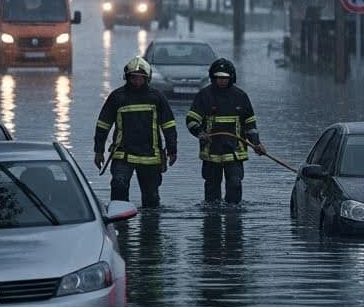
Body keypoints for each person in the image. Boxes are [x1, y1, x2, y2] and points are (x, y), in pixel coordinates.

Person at [94, 56, 178, 207]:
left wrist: (172, 150)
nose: (137, 81)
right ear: (127, 77)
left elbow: (169, 125)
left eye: (141, 78)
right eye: (134, 78)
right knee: (119, 188)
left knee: (151, 198)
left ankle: (150, 222)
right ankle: (120, 219)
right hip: (122, 154)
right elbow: (103, 125)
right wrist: (98, 151)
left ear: (147, 78)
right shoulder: (117, 97)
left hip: (150, 156)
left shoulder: (157, 97)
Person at [185, 58, 264, 204]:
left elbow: (249, 124)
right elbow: (191, 120)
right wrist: (200, 133)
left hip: (235, 152)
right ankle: (212, 213)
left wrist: (256, 143)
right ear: (213, 77)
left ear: (231, 77)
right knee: (212, 189)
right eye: (219, 78)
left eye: (225, 78)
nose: (222, 81)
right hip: (211, 152)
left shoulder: (240, 96)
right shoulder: (204, 95)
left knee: (235, 184)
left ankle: (233, 213)